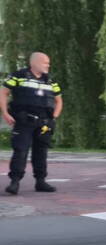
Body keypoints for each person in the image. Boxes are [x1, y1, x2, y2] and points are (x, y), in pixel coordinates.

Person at [2, 52, 60, 195]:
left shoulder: (50, 80)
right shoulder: (18, 76)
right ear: (34, 63)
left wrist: (54, 118)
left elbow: (59, 100)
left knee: (41, 152)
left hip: (44, 122)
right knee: (21, 151)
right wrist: (5, 113)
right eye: (45, 62)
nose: (48, 65)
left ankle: (40, 181)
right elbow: (3, 93)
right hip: (24, 121)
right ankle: (14, 182)